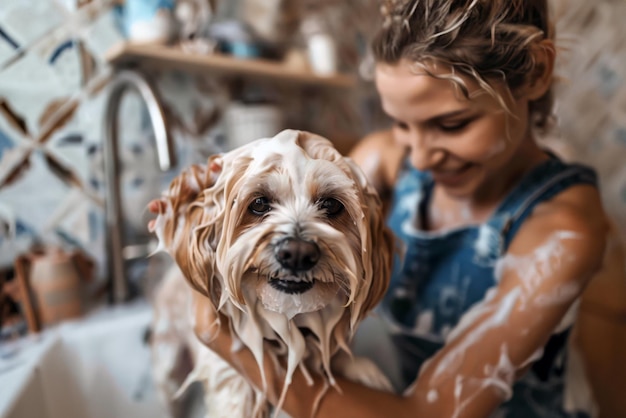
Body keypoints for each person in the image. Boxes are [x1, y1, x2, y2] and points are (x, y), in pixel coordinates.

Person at [153, 1, 617, 417]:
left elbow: (428, 415)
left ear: (535, 73)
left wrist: (220, 337)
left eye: (451, 124)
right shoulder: (389, 161)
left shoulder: (563, 228)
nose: (420, 157)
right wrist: (207, 217)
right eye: (401, 124)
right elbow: (295, 199)